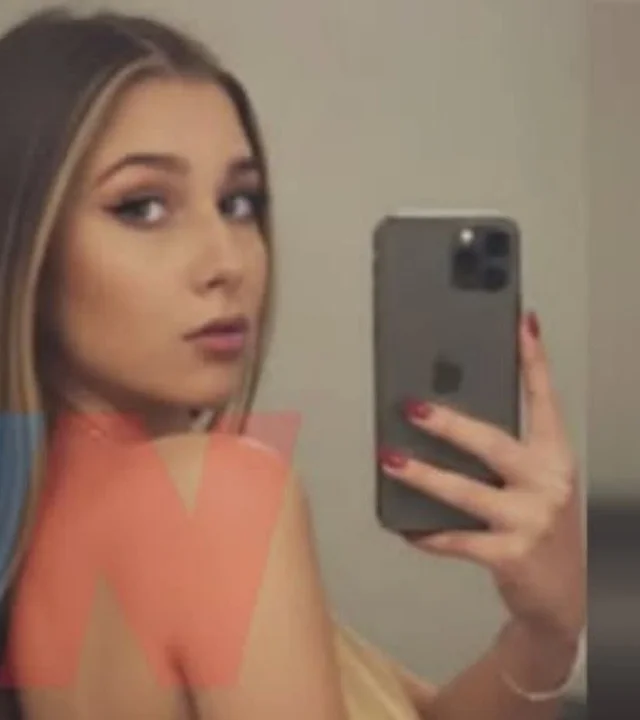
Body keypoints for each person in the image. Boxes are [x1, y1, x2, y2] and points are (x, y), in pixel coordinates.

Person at [0, 6, 585, 720]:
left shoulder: (51, 533)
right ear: (23, 246)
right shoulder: (213, 497)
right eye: (142, 207)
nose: (227, 261)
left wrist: (546, 631)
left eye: (238, 202)